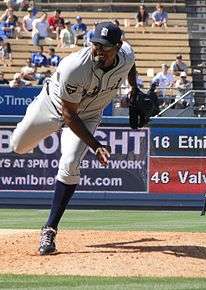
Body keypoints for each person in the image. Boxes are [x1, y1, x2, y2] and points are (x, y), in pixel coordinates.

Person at [10, 21, 138, 256]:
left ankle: (49, 229)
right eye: (96, 44)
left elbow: (129, 66)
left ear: (118, 46)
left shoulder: (127, 54)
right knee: (17, 146)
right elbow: (69, 115)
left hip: (87, 116)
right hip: (53, 106)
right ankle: (34, 123)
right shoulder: (74, 66)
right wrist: (96, 145)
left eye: (105, 47)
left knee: (69, 164)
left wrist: (135, 88)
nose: (98, 50)